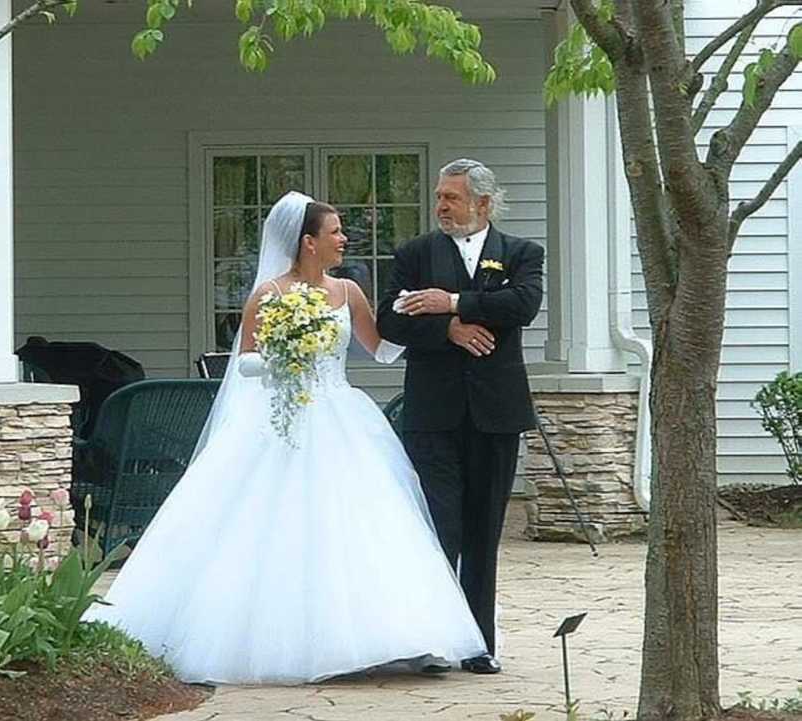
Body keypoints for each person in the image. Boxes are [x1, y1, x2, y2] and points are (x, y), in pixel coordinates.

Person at [84, 191, 486, 684]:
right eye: (335, 232)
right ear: (308, 242)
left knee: (366, 523)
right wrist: (287, 357)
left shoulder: (348, 293)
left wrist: (422, 323)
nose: (343, 239)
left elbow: (380, 351)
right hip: (285, 419)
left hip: (343, 417)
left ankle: (401, 635)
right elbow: (245, 362)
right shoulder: (268, 295)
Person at [376, 159, 544, 674]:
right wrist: (447, 331)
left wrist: (451, 303)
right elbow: (388, 320)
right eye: (439, 197)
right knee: (439, 527)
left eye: (451, 198)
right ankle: (434, 642)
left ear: (483, 204)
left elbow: (523, 305)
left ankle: (478, 645)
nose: (441, 207)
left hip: (496, 412)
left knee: (482, 531)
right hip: (434, 413)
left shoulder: (520, 253)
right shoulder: (414, 254)